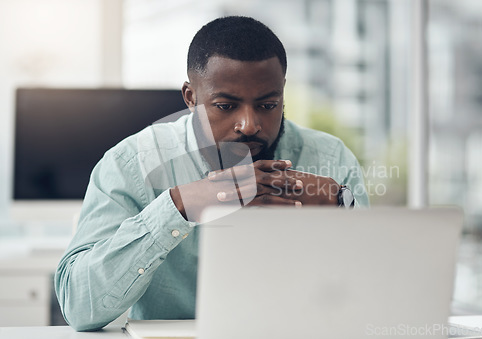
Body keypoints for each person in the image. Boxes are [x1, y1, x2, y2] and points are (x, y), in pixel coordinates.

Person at [55, 16, 369, 331]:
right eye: (225, 106)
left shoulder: (330, 158)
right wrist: (180, 204)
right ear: (191, 98)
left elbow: (376, 296)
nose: (249, 124)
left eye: (268, 104)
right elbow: (79, 307)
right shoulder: (131, 164)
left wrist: (342, 211)